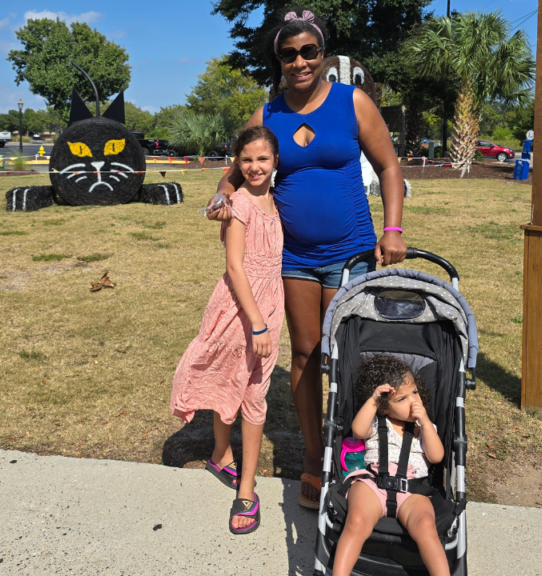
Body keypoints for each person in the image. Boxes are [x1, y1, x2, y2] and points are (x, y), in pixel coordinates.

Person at [206, 6, 408, 509]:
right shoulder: (268, 114)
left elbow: (387, 165)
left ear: (323, 54)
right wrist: (220, 196)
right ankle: (315, 460)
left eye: (309, 52)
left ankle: (353, 454)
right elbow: (235, 170)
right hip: (292, 257)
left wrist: (393, 228)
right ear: (278, 59)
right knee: (304, 354)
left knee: (349, 357)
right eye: (289, 54)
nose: (300, 61)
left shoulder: (352, 103)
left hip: (352, 253)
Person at [169, 126, 284, 535]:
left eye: (263, 159)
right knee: (234, 384)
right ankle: (244, 486)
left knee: (252, 389)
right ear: (237, 163)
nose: (255, 167)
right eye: (247, 160)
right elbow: (235, 268)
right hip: (242, 308)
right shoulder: (237, 205)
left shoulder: (275, 201)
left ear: (275, 162)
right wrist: (257, 323)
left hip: (273, 300)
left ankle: (227, 459)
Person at [334, 355, 446, 576]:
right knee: (356, 521)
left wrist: (424, 423)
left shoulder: (425, 427)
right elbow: (358, 429)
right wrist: (374, 399)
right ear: (385, 407)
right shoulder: (376, 423)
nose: (414, 400)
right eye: (401, 399)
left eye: (414, 392)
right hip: (373, 484)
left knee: (425, 524)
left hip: (413, 490)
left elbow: (436, 456)